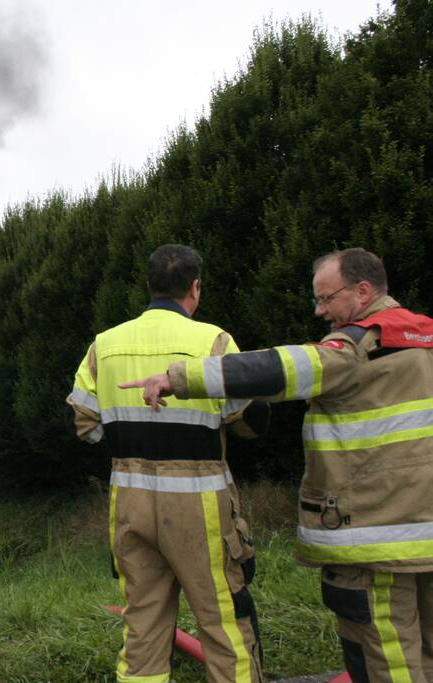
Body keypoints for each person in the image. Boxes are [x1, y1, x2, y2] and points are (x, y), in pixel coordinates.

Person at [122, 247, 433, 683]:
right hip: (425, 538)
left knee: (389, 659)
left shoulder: (356, 347)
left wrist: (179, 378)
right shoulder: (425, 337)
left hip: (380, 541)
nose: (320, 310)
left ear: (363, 291)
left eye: (327, 299)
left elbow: (278, 369)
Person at [67, 244, 268, 683]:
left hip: (131, 503)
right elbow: (249, 419)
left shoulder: (105, 345)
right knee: (224, 624)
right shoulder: (214, 340)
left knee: (143, 627)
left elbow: (85, 422)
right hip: (202, 509)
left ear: (148, 285)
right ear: (195, 288)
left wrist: (130, 443)